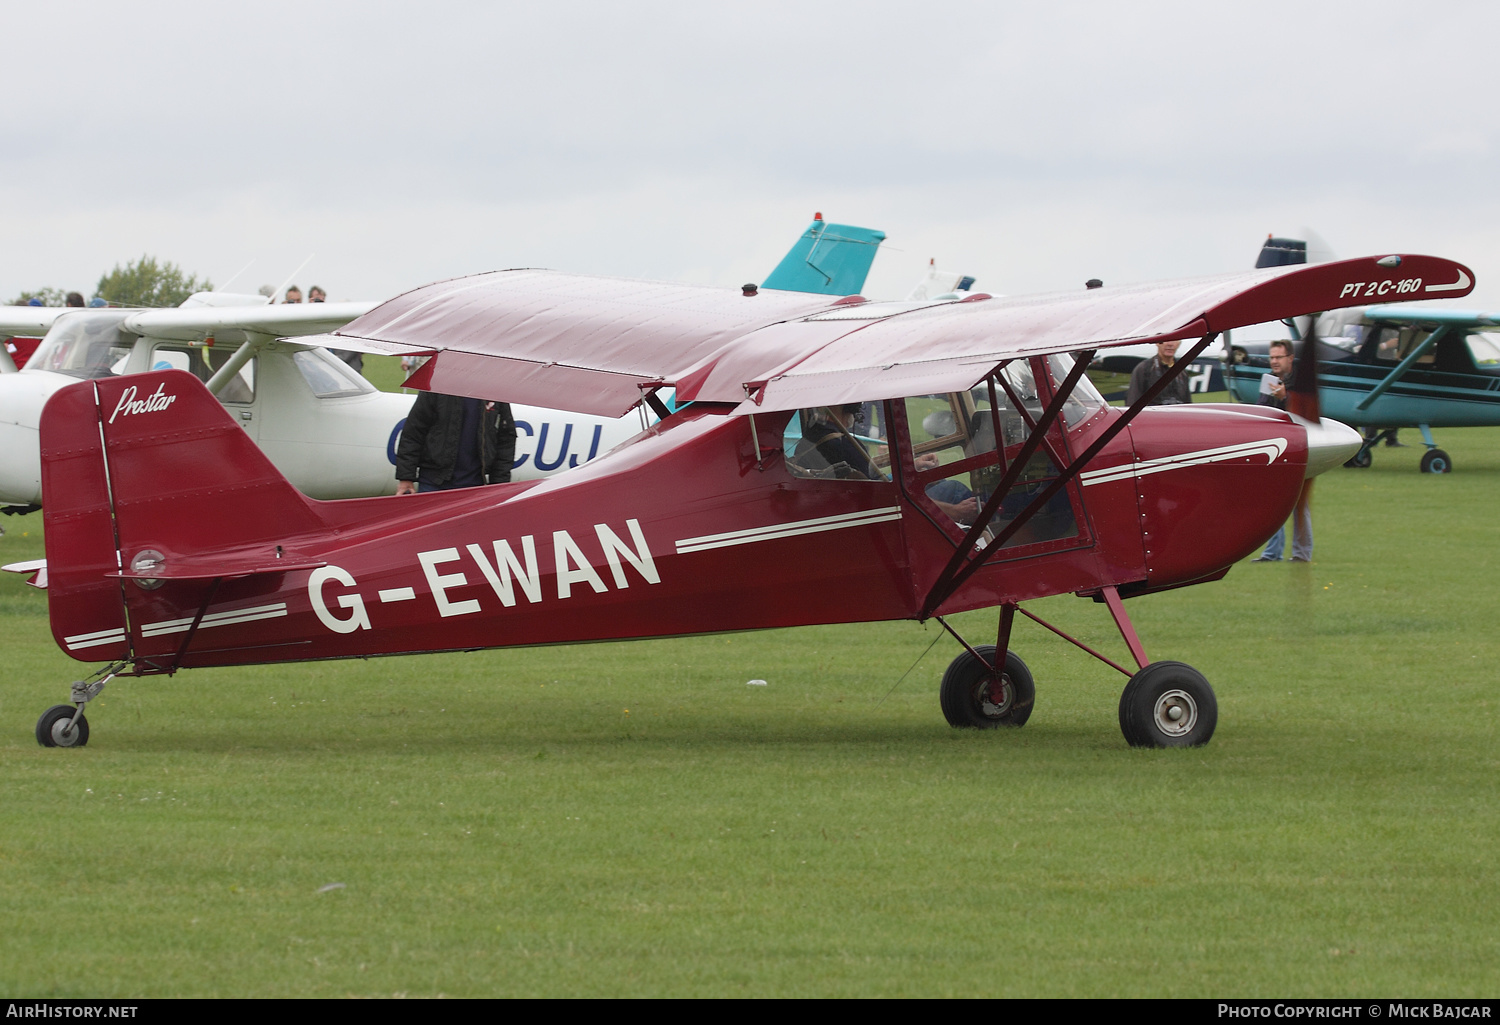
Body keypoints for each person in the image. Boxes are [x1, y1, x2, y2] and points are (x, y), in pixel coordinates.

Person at [1254, 340, 1312, 562]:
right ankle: (1272, 553)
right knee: (1272, 502)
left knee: (1299, 503)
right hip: (1275, 448)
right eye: (1272, 358)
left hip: (1300, 447)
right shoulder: (1269, 379)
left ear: (1290, 358)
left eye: (1278, 357)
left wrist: (1284, 398)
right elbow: (1260, 411)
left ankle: (1302, 554)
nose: (1274, 362)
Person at [394, 392, 516, 494]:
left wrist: (499, 483)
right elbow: (413, 432)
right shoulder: (437, 387)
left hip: (475, 485)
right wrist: (406, 477)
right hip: (433, 482)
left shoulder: (494, 391)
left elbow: (506, 438)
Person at [1125, 339, 1191, 406]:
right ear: (1157, 342)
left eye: (1174, 340)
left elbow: (1188, 404)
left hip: (1176, 415)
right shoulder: (1144, 369)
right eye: (1166, 340)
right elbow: (1132, 400)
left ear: (1179, 343)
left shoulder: (1182, 372)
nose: (1170, 344)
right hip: (1152, 415)